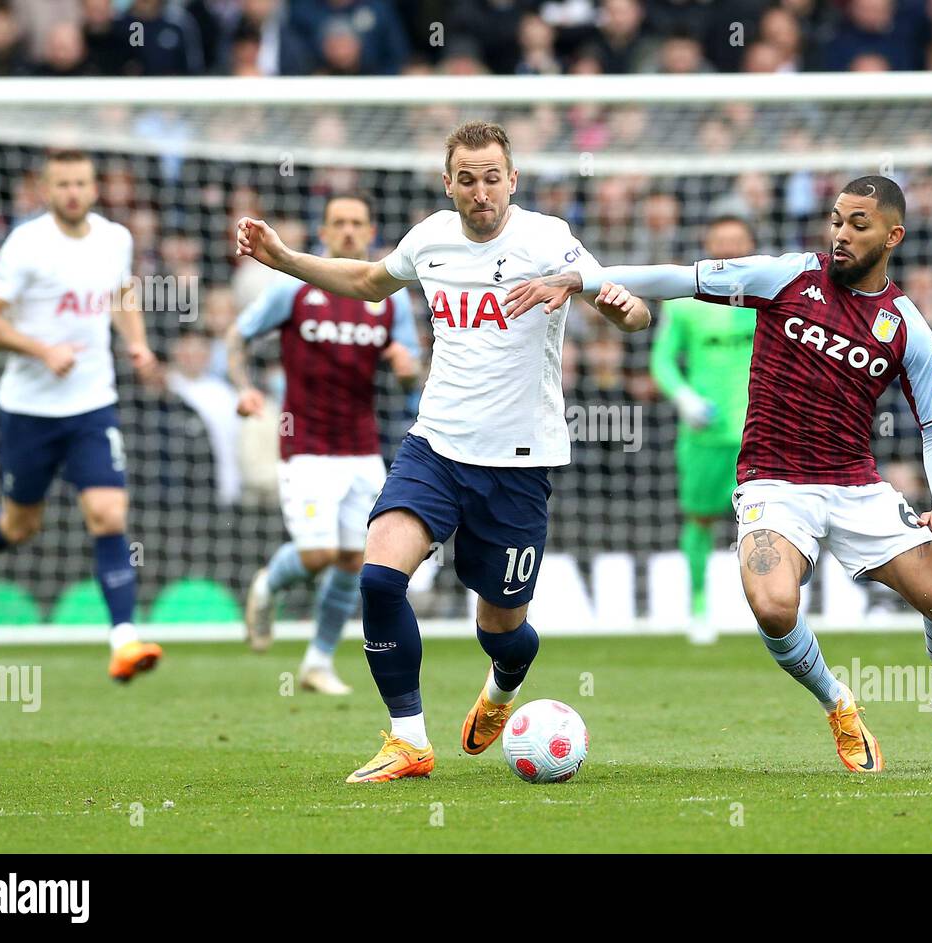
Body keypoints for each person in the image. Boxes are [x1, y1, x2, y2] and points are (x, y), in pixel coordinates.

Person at [507, 175, 932, 773]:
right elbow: (684, 277)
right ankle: (839, 704)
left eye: (859, 224)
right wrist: (586, 279)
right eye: (836, 220)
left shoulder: (905, 325)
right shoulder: (788, 276)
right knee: (774, 605)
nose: (841, 234)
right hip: (773, 483)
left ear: (893, 236)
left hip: (856, 486)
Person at [233, 121, 650, 782]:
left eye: (492, 178)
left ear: (512, 180)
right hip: (435, 445)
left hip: (518, 461)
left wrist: (614, 302)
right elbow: (371, 280)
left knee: (500, 629)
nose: (480, 192)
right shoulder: (429, 238)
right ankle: (408, 740)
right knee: (378, 575)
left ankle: (504, 682)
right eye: (467, 178)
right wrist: (285, 259)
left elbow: (631, 314)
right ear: (448, 182)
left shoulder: (548, 240)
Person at [0, 149, 163, 683]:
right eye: (62, 183)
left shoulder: (115, 238)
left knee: (109, 514)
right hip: (29, 409)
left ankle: (123, 640)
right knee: (21, 523)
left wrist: (136, 343)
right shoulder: (27, 245)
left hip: (92, 404)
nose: (72, 192)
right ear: (47, 189)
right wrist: (42, 350)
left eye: (81, 182)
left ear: (94, 187)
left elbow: (122, 294)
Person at [229, 193, 420, 695]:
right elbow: (236, 337)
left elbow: (412, 370)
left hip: (360, 446)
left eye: (358, 223)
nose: (350, 232)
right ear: (325, 233)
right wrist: (243, 386)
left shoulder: (388, 300)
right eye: (340, 223)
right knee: (317, 555)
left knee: (356, 560)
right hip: (305, 442)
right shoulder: (292, 288)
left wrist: (405, 368)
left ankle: (317, 661)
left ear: (372, 232)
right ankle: (269, 582)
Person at [648, 215, 757, 627]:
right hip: (704, 433)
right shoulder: (685, 303)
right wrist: (684, 398)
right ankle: (698, 606)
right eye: (722, 241)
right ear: (709, 246)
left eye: (737, 241)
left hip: (759, 431)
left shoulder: (770, 298)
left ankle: (768, 607)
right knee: (700, 518)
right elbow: (660, 360)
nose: (729, 248)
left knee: (769, 520)